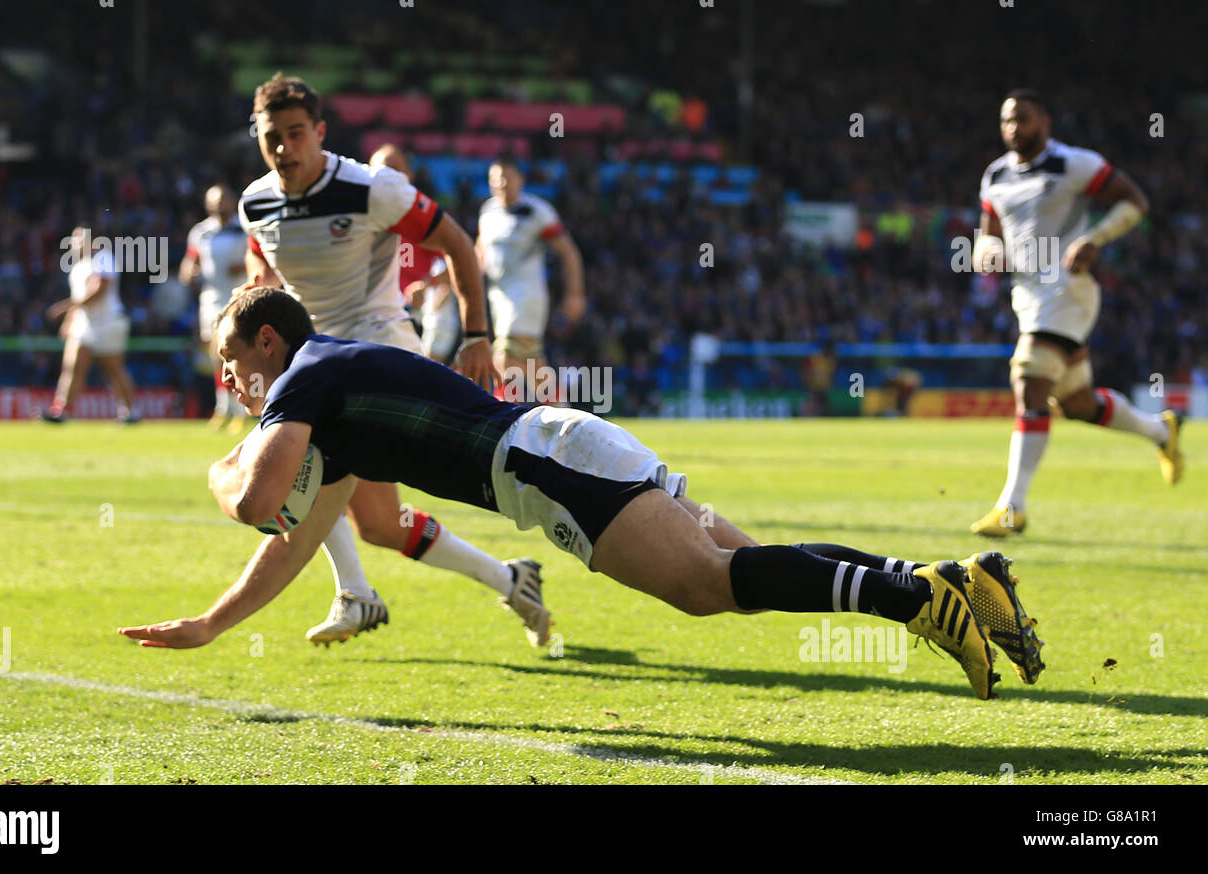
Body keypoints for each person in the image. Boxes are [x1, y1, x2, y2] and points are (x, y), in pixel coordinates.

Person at [119, 287, 1047, 700]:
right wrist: (211, 622)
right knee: (732, 563)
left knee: (706, 587)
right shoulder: (330, 396)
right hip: (558, 448)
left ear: (268, 345)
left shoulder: (302, 378)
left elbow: (254, 500)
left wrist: (216, 467)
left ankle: (917, 599)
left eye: (232, 365)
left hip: (544, 466)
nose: (232, 385)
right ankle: (955, 582)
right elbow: (295, 530)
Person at [236, 74, 547, 647]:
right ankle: (510, 578)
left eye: (296, 133)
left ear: (321, 133)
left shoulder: (370, 188)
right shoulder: (255, 202)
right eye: (271, 136)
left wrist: (477, 334)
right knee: (379, 523)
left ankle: (356, 593)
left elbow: (454, 241)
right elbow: (264, 278)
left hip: (380, 351)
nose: (284, 148)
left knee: (296, 468)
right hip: (313, 363)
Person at [969, 89, 1184, 537]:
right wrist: (986, 249)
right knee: (1078, 404)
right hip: (1027, 295)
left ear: (1043, 122)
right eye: (1007, 120)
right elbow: (989, 231)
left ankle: (1012, 508)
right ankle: (1162, 433)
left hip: (1068, 289)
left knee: (1028, 380)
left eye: (1023, 119)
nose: (1013, 128)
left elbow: (1134, 201)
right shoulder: (996, 175)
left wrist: (1096, 239)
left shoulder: (1074, 163)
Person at [477, 153, 585, 401]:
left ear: (520, 180)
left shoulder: (537, 212)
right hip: (498, 297)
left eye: (506, 178)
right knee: (531, 363)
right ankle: (562, 414)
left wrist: (575, 293)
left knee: (504, 354)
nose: (500, 184)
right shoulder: (488, 211)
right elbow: (480, 251)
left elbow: (568, 252)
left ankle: (503, 415)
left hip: (526, 296)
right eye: (495, 179)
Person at [368, 144, 460, 364]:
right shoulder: (355, 221)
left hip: (416, 318)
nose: (386, 177)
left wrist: (428, 285)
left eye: (394, 170)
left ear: (408, 176)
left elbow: (459, 260)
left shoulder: (423, 218)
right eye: (380, 170)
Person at [42, 225, 139, 423]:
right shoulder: (78, 267)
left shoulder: (103, 258)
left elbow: (100, 288)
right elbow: (78, 297)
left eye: (80, 240)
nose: (76, 244)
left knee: (113, 368)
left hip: (109, 320)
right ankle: (61, 410)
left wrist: (65, 307)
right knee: (72, 365)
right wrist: (69, 320)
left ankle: (130, 411)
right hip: (85, 322)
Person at [179, 184, 246, 430]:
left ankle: (242, 408)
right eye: (215, 201)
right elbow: (191, 260)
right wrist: (188, 272)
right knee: (217, 355)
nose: (219, 205)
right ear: (208, 205)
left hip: (239, 297)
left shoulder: (245, 227)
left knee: (239, 352)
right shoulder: (201, 232)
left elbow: (259, 258)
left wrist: (242, 267)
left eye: (224, 200)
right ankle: (223, 408)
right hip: (211, 299)